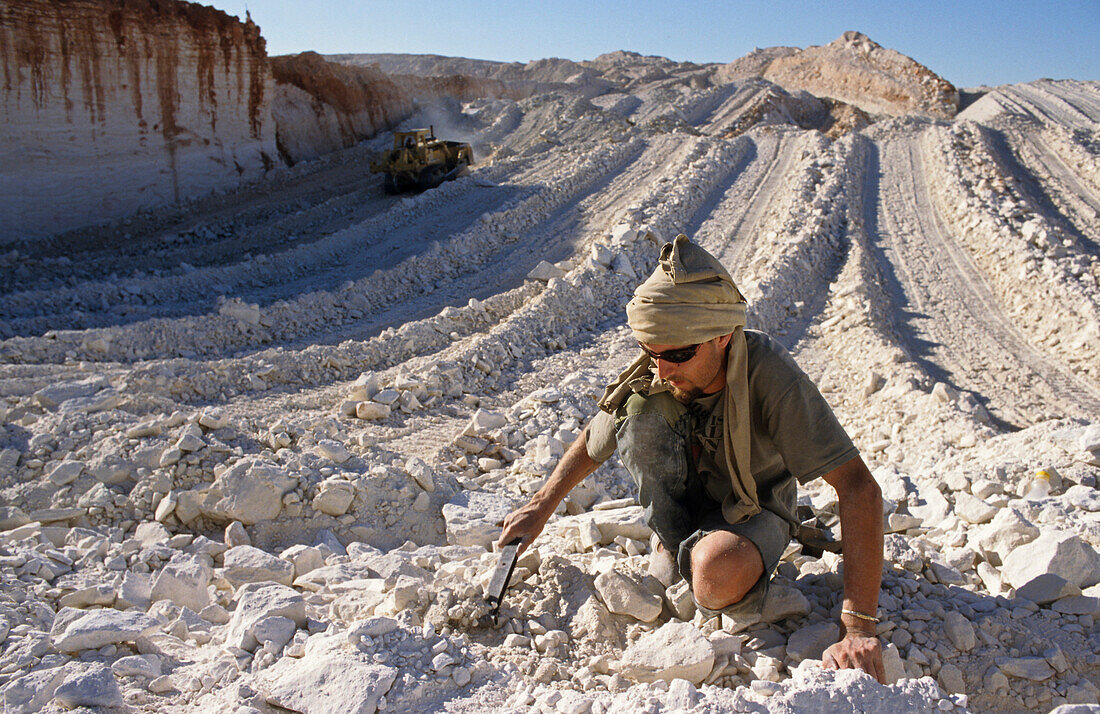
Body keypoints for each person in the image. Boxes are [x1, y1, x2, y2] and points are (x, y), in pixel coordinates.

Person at [498, 234, 885, 682]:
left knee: (716, 575)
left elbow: (858, 485)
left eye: (679, 355)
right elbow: (596, 436)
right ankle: (679, 537)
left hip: (753, 507)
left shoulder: (771, 375)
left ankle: (716, 556)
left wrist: (857, 626)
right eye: (652, 353)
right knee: (639, 408)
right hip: (686, 506)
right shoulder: (662, 360)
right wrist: (541, 505)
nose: (662, 370)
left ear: (723, 336)